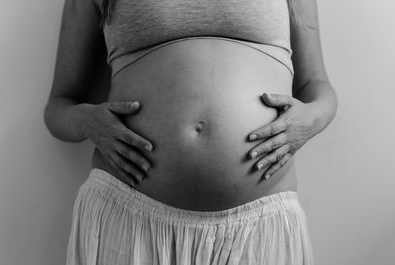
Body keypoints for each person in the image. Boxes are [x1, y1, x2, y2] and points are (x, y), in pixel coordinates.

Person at [44, 0, 337, 264]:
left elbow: (317, 85)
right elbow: (58, 106)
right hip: (127, 217)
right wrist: (85, 120)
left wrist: (312, 118)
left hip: (258, 228)